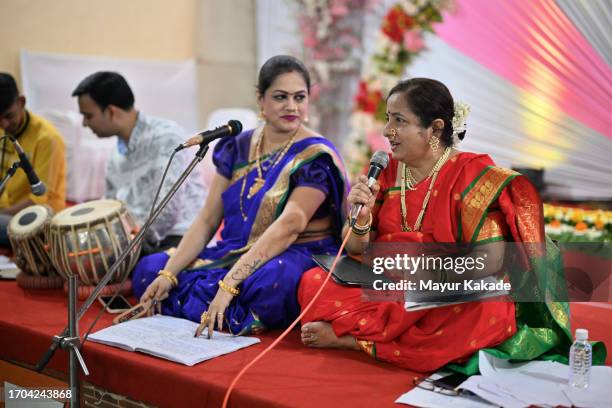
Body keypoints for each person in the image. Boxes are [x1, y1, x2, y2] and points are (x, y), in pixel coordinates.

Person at [298, 78, 585, 373]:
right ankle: (391, 335)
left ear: (434, 128)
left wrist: (426, 278)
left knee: (488, 311)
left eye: (399, 121)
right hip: (386, 280)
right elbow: (356, 246)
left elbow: (490, 259)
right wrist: (361, 219)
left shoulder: (475, 175)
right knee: (314, 282)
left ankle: (358, 341)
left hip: (444, 288)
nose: (387, 131)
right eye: (387, 119)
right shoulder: (386, 171)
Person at [132, 55, 348, 337]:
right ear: (261, 100)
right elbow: (208, 219)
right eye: (280, 97)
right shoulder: (236, 145)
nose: (292, 106)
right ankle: (220, 311)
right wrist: (169, 273)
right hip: (234, 249)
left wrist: (229, 284)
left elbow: (290, 225)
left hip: (293, 251)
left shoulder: (314, 157)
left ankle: (217, 306)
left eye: (300, 97)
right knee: (150, 269)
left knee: (271, 281)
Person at [72, 72, 206, 254]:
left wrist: (123, 244)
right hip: (137, 239)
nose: (85, 124)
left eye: (88, 116)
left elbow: (166, 212)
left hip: (179, 237)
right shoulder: (115, 157)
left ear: (111, 111)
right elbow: (112, 210)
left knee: (144, 270)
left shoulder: (166, 138)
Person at [0, 73, 66, 246]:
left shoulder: (47, 138)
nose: (4, 125)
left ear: (21, 102)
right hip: (9, 212)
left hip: (42, 217)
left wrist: (4, 213)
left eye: (8, 116)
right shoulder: (2, 132)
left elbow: (39, 198)